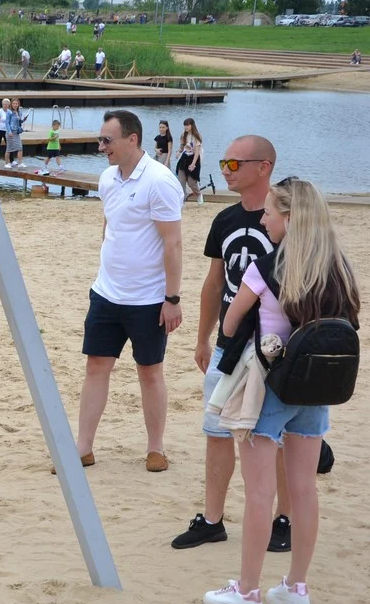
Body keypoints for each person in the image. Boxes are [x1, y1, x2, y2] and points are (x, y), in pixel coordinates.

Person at [202, 177, 360, 604]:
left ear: (289, 218)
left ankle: (248, 593)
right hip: (317, 386)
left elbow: (230, 323)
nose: (265, 219)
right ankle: (296, 587)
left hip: (270, 387)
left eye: (271, 212)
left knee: (258, 492)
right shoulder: (338, 267)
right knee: (305, 489)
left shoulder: (269, 266)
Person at [172, 136, 292, 553]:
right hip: (229, 345)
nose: (225, 169)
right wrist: (204, 338)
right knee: (216, 431)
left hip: (275, 347)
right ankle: (211, 520)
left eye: (234, 163)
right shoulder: (223, 219)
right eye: (223, 161)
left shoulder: (285, 218)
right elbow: (213, 283)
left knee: (276, 435)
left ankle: (284, 520)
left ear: (264, 167)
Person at [65, 110, 182, 474]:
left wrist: (172, 298)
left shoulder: (160, 181)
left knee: (150, 371)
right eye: (100, 139)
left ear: (132, 139)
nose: (102, 147)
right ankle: (83, 447)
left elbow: (173, 243)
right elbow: (110, 223)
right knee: (96, 367)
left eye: (107, 140)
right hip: (106, 293)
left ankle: (155, 448)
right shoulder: (107, 178)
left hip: (148, 299)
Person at [176, 118, 205, 204]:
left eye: (188, 125)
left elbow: (197, 152)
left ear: (192, 125)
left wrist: (193, 164)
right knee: (181, 180)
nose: (186, 127)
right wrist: (178, 152)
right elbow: (182, 146)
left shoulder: (197, 136)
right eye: (185, 125)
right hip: (184, 158)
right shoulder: (183, 135)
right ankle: (183, 199)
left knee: (191, 182)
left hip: (194, 159)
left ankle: (199, 194)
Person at [4, 98, 27, 169]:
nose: (15, 105)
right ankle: (7, 163)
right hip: (10, 132)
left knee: (20, 147)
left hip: (16, 132)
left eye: (16, 104)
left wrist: (23, 120)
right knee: (9, 148)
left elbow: (19, 122)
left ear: (18, 104)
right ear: (11, 104)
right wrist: (9, 131)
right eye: (13, 103)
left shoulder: (19, 112)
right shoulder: (9, 112)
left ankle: (20, 163)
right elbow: (7, 123)